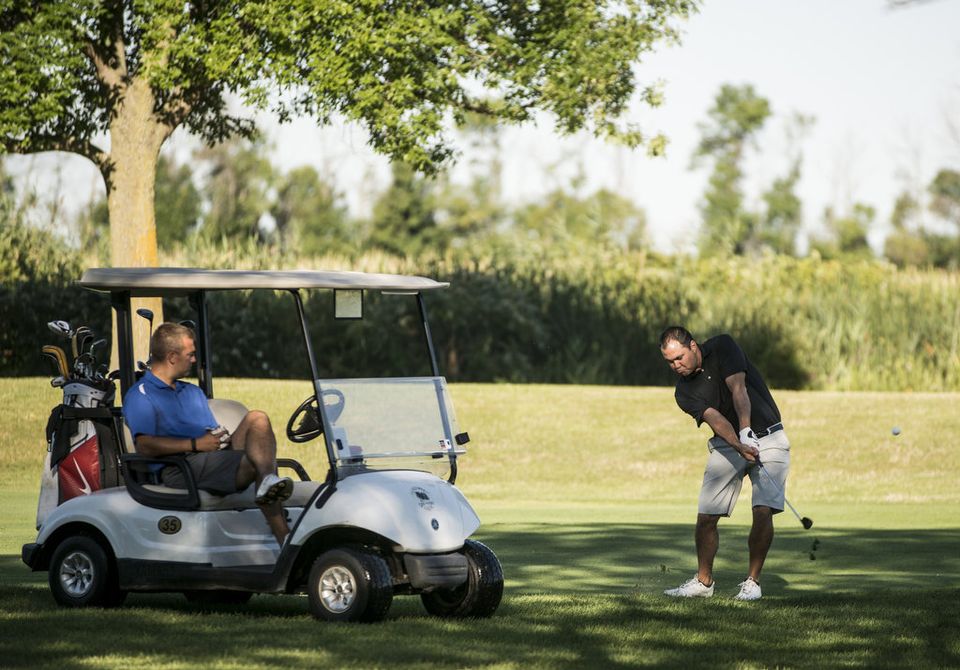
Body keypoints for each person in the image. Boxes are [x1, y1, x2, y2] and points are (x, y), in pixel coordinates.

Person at [123, 322, 293, 545]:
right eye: (190, 355)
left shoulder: (192, 391)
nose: (194, 360)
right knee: (257, 464)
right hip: (179, 468)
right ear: (172, 356)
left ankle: (268, 482)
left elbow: (209, 434)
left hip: (209, 458)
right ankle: (285, 538)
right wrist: (195, 444)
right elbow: (145, 446)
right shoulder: (141, 395)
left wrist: (219, 437)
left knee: (257, 418)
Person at [658, 326, 790, 601]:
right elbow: (715, 418)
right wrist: (739, 444)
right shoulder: (683, 392)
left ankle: (752, 582)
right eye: (670, 362)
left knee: (763, 509)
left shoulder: (722, 347)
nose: (676, 365)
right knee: (706, 516)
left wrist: (746, 431)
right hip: (727, 444)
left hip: (769, 435)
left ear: (693, 346)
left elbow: (738, 389)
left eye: (679, 357)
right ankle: (703, 583)